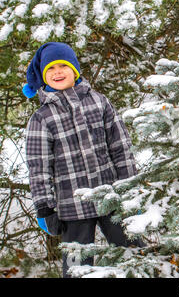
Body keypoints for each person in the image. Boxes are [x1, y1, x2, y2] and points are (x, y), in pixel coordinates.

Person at [24, 42, 144, 277]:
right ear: (44, 77)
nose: (57, 72)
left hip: (111, 198)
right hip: (72, 207)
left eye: (63, 66)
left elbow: (121, 147)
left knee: (133, 252)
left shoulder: (99, 101)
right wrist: (44, 207)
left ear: (75, 70)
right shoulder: (41, 118)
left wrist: (130, 191)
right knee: (77, 267)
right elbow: (39, 167)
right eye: (50, 69)